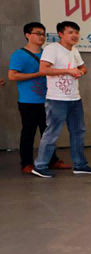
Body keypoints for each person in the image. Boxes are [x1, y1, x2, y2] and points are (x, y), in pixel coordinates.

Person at [32, 21, 91, 177]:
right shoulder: (52, 49)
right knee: (52, 132)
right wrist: (68, 71)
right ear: (60, 34)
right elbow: (43, 69)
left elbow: (83, 68)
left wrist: (80, 72)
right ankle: (40, 165)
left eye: (76, 32)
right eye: (70, 32)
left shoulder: (74, 50)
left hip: (74, 98)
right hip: (56, 99)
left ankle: (80, 165)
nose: (74, 35)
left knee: (78, 131)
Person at [8, 22, 68, 174]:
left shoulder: (47, 53)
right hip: (28, 101)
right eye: (38, 33)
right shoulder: (19, 55)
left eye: (43, 34)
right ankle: (26, 163)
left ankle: (52, 160)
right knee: (28, 132)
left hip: (50, 99)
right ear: (27, 35)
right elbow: (12, 75)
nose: (41, 37)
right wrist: (37, 74)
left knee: (49, 132)